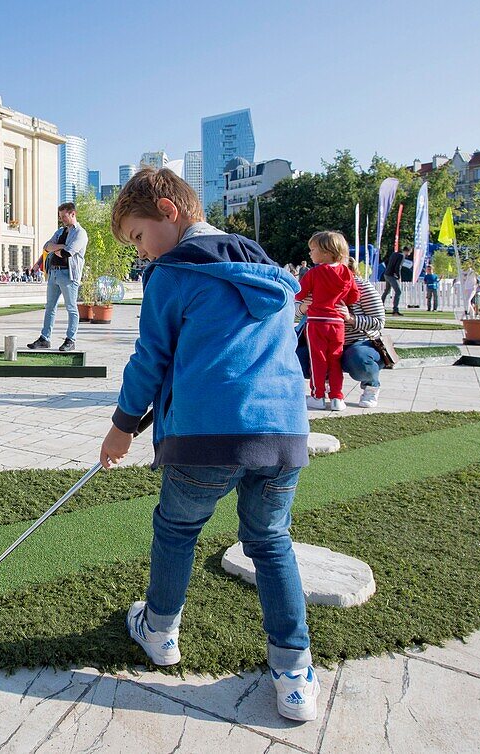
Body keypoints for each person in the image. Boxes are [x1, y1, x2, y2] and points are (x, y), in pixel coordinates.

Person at [99, 167, 316, 722]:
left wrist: (122, 425)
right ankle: (293, 674)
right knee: (270, 541)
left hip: (205, 439)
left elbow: (150, 359)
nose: (141, 254)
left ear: (169, 211)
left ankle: (161, 630)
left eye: (139, 237)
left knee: (176, 529)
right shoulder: (266, 268)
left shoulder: (171, 276)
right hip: (283, 432)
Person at [296, 255, 386, 408]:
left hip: (357, 342)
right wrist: (302, 307)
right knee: (304, 357)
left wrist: (350, 318)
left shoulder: (362, 287)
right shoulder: (318, 281)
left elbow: (379, 322)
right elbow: (295, 306)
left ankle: (371, 385)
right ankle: (326, 386)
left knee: (359, 359)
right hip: (323, 337)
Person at [295, 231, 359, 412]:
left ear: (325, 251)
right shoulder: (347, 272)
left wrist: (308, 298)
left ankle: (318, 395)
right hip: (337, 323)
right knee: (335, 359)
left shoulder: (314, 273)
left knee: (318, 359)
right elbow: (354, 296)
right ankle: (337, 396)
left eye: (313, 249)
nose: (310, 253)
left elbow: (299, 294)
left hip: (316, 322)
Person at [28, 201, 88, 352]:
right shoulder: (60, 232)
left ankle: (70, 339)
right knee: (50, 307)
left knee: (71, 308)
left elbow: (67, 253)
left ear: (72, 214)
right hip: (54, 273)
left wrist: (57, 248)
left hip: (68, 275)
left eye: (63, 216)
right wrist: (60, 247)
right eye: (60, 216)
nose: (61, 219)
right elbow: (46, 247)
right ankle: (45, 338)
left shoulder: (80, 233)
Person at [381, 245, 404, 315]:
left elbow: (386, 261)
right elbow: (398, 267)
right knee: (398, 291)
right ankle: (395, 310)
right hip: (391, 275)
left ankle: (381, 307)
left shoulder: (393, 254)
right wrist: (399, 276)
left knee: (387, 291)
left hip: (386, 273)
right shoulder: (401, 256)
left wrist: (388, 268)